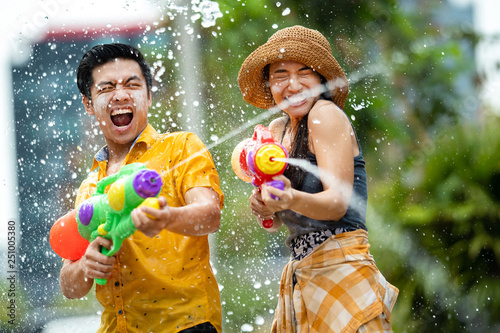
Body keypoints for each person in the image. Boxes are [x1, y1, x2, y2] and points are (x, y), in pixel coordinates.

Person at [237, 26, 399, 332]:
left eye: (304, 73)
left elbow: (337, 204)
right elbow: (292, 213)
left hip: (341, 268)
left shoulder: (324, 115)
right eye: (281, 74)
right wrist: (266, 205)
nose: (293, 84)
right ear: (269, 82)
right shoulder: (277, 132)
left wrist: (289, 197)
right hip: (302, 273)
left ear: (321, 79)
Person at [59, 43, 224, 333]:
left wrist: (167, 218)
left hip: (185, 325)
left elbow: (210, 215)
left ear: (147, 96)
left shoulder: (181, 147)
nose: (120, 95)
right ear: (88, 103)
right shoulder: (90, 186)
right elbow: (68, 286)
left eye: (131, 85)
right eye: (106, 88)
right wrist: (87, 264)